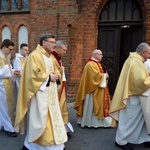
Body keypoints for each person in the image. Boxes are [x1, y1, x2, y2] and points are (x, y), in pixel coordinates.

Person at [14, 34, 68, 150]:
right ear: (44, 42)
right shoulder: (34, 56)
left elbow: (56, 72)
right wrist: (48, 77)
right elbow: (31, 76)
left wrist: (57, 76)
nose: (54, 45)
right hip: (40, 96)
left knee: (53, 120)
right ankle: (40, 146)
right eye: (52, 42)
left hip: (51, 95)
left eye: (55, 42)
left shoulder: (50, 57)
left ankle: (56, 146)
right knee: (42, 122)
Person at [109, 42, 150, 150]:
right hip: (133, 97)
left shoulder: (135, 59)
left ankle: (143, 138)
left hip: (137, 96)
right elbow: (141, 82)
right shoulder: (136, 62)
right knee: (130, 120)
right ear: (143, 52)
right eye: (148, 54)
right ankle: (121, 141)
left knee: (142, 120)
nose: (149, 56)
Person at [74, 49, 113, 128]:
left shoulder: (96, 63)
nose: (102, 56)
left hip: (97, 88)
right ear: (95, 55)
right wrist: (105, 76)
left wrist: (103, 76)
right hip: (92, 90)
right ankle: (91, 122)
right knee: (92, 105)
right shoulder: (90, 64)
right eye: (100, 54)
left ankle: (97, 122)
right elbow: (94, 77)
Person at [51, 40, 74, 138]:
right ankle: (59, 130)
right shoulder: (52, 58)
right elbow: (53, 73)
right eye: (64, 50)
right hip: (56, 88)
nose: (65, 52)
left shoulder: (57, 57)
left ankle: (64, 129)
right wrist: (61, 70)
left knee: (63, 109)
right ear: (58, 48)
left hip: (61, 87)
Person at [0, 39, 20, 137]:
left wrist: (14, 71)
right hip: (1, 86)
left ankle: (2, 125)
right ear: (4, 47)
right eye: (10, 49)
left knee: (5, 107)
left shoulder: (6, 57)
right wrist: (10, 71)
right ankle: (9, 128)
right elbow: (1, 72)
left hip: (7, 84)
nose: (11, 52)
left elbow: (8, 69)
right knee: (5, 108)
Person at [13, 43, 29, 112]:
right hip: (20, 81)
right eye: (25, 50)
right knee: (20, 97)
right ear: (21, 49)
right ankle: (19, 111)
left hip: (27, 81)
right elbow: (18, 72)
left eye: (27, 50)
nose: (27, 51)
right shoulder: (17, 59)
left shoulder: (27, 58)